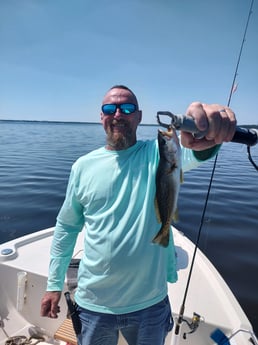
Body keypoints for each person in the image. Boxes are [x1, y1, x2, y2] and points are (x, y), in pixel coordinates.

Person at [40, 85, 236, 345]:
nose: (118, 114)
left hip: (150, 304)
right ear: (101, 117)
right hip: (93, 303)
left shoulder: (158, 152)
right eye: (110, 108)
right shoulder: (82, 167)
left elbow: (196, 152)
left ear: (139, 116)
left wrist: (208, 134)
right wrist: (54, 284)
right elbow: (66, 228)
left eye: (127, 108)